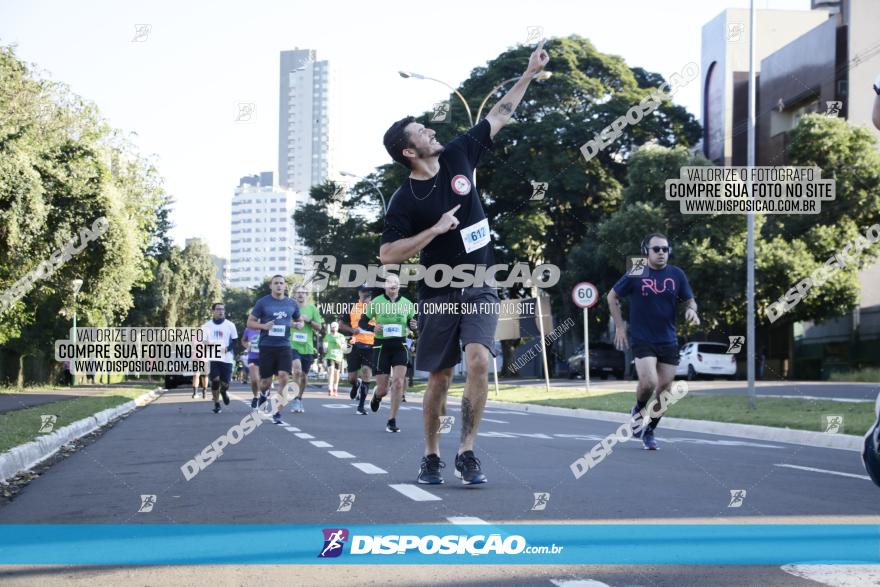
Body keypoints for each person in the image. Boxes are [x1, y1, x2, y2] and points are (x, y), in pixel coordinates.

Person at [379, 40, 550, 484]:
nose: (431, 131)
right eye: (421, 131)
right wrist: (433, 231)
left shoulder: (458, 155)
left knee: (478, 362)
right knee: (439, 376)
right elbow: (387, 255)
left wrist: (528, 75)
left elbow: (499, 115)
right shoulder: (404, 199)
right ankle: (432, 455)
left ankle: (468, 452)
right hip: (437, 292)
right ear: (408, 152)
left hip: (481, 283)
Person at [607, 233, 699, 450]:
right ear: (646, 251)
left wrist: (692, 312)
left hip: (668, 339)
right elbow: (612, 296)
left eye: (665, 249)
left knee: (665, 392)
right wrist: (620, 327)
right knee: (649, 382)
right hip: (642, 337)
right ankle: (638, 410)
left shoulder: (677, 274)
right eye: (656, 249)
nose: (661, 253)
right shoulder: (637, 271)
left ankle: (650, 430)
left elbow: (690, 301)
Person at [360, 274, 417, 433]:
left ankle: (392, 419)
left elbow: (413, 323)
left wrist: (413, 325)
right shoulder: (376, 302)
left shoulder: (407, 304)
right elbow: (362, 322)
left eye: (396, 283)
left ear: (399, 286)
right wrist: (373, 328)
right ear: (385, 286)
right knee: (383, 389)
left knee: (398, 382)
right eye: (390, 282)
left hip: (400, 345)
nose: (393, 285)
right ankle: (377, 396)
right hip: (381, 347)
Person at [247, 275, 303, 424]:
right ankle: (264, 394)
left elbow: (299, 320)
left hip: (284, 346)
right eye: (276, 283)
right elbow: (250, 322)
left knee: (284, 377)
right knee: (265, 381)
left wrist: (299, 324)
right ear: (271, 286)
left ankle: (276, 412)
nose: (279, 286)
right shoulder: (263, 303)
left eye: (281, 283)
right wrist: (263, 326)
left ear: (285, 286)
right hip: (266, 346)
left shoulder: (292, 303)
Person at [338, 285, 376, 415]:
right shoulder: (350, 307)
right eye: (364, 292)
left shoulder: (378, 307)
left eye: (369, 292)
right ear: (359, 293)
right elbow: (341, 325)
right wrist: (352, 330)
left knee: (366, 372)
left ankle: (361, 406)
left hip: (371, 345)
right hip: (355, 344)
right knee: (351, 378)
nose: (366, 295)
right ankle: (355, 384)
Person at [289, 285, 324, 414]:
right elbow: (281, 322)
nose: (300, 295)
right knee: (296, 370)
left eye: (303, 293)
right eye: (298, 293)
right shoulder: (290, 308)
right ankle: (295, 398)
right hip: (292, 344)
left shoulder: (312, 309)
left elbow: (319, 327)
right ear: (294, 295)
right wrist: (293, 324)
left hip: (307, 347)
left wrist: (308, 320)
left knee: (303, 375)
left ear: (306, 295)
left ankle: (299, 398)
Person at [200, 303, 238, 414]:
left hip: (227, 358)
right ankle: (216, 403)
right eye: (218, 309)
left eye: (222, 309)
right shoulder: (206, 326)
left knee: (225, 383)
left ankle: (224, 391)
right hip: (212, 357)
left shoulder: (230, 325)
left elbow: (235, 341)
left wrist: (227, 348)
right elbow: (203, 341)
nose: (221, 311)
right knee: (215, 380)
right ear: (213, 311)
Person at [241, 316, 263, 408]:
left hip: (266, 358)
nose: (258, 319)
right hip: (252, 358)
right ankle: (255, 397)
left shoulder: (268, 328)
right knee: (254, 379)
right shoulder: (248, 329)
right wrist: (247, 345)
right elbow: (243, 340)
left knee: (264, 380)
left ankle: (263, 396)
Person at [324, 322, 347, 396]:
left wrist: (339, 343)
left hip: (338, 357)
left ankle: (335, 388)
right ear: (331, 327)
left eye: (335, 327)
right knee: (331, 372)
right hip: (330, 356)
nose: (333, 328)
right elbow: (325, 349)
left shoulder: (341, 336)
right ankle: (330, 389)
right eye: (332, 327)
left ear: (337, 328)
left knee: (336, 373)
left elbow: (344, 348)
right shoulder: (327, 336)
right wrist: (325, 347)